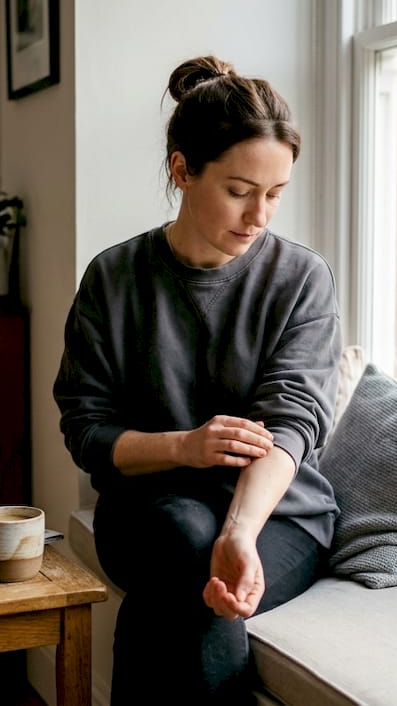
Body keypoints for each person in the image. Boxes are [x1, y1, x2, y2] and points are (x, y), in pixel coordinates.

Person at [53, 55, 341, 704]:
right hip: (150, 508)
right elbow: (87, 428)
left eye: (275, 194)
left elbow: (292, 429)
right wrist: (183, 446)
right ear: (182, 170)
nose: (260, 216)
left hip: (278, 515)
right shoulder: (115, 277)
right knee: (186, 549)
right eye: (240, 191)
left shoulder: (300, 280)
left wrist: (239, 532)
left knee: (180, 595)